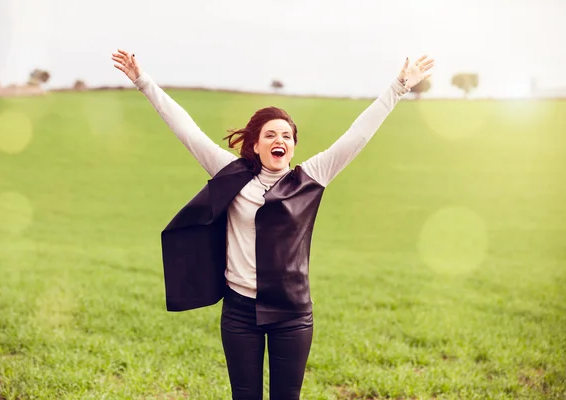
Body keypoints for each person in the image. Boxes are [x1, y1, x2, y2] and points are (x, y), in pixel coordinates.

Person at [112, 48, 433, 400]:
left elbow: (358, 135)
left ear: (293, 146)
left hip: (292, 313)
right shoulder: (229, 173)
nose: (279, 140)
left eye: (286, 136)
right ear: (255, 144)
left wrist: (399, 86)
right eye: (270, 134)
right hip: (239, 312)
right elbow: (186, 130)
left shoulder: (313, 177)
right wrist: (143, 82)